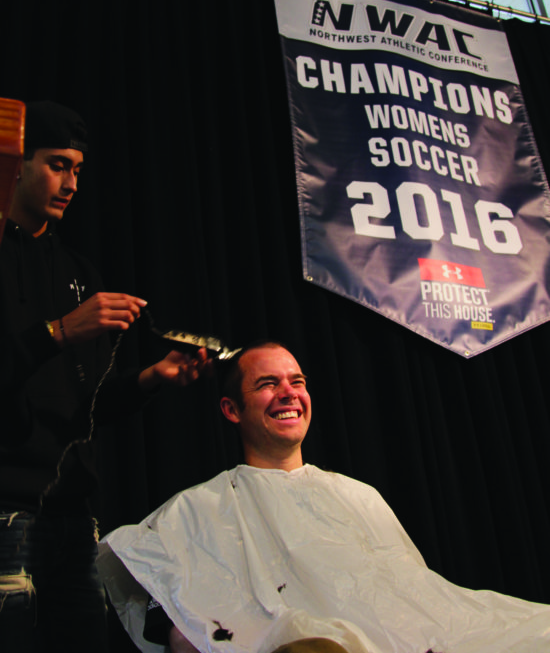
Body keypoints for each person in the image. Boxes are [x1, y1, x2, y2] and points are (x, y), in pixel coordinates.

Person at [99, 341, 550, 653]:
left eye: (297, 381)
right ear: (231, 410)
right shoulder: (199, 510)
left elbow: (418, 596)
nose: (289, 393)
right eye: (267, 384)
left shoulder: (360, 497)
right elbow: (187, 632)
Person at [0, 100, 209, 652]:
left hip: (72, 515)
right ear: (16, 164)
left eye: (78, 169)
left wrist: (150, 379)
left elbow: (84, 407)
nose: (70, 183)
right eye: (56, 165)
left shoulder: (78, 272)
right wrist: (60, 331)